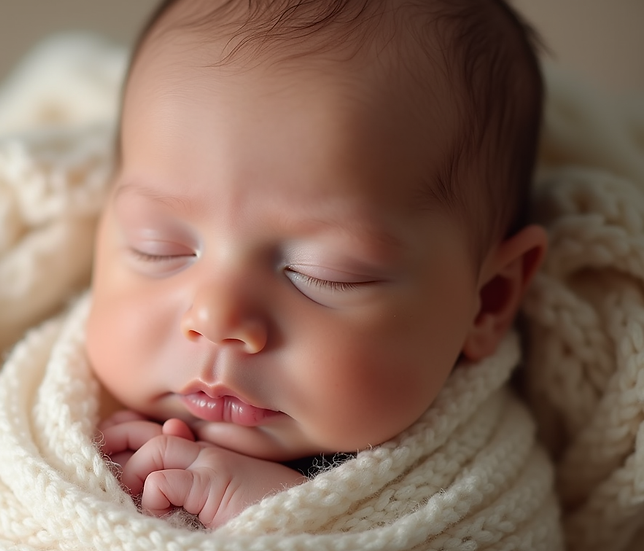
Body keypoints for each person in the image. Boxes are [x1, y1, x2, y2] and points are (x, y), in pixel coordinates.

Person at [85, 0, 549, 529]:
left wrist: (292, 521)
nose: (216, 317)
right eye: (158, 248)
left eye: (323, 273)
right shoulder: (54, 408)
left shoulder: (478, 484)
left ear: (488, 300)